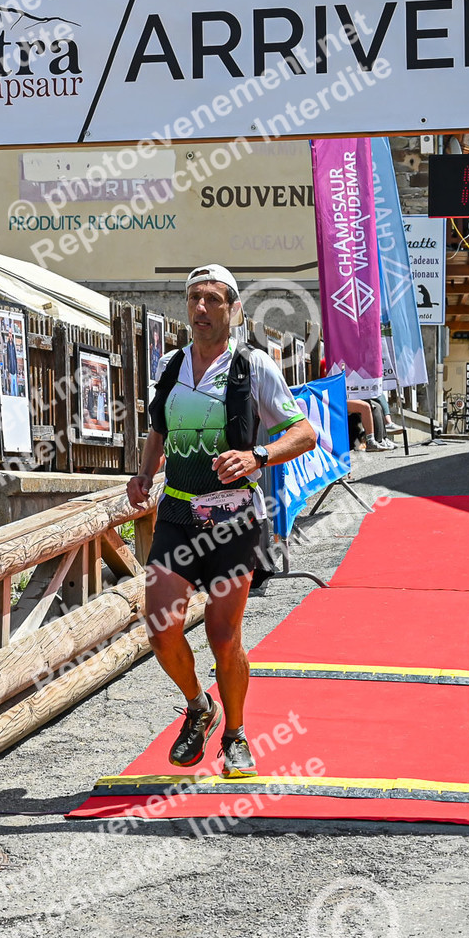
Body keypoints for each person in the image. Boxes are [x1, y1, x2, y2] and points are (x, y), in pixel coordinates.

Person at [127, 264, 317, 778]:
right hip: (178, 511)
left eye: (213, 299)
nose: (201, 308)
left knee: (223, 636)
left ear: (234, 309)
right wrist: (143, 473)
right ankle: (198, 706)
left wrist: (258, 455)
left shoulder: (254, 366)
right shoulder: (169, 364)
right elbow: (158, 430)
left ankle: (235, 733)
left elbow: (305, 433)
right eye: (194, 298)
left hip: (233, 517)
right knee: (161, 627)